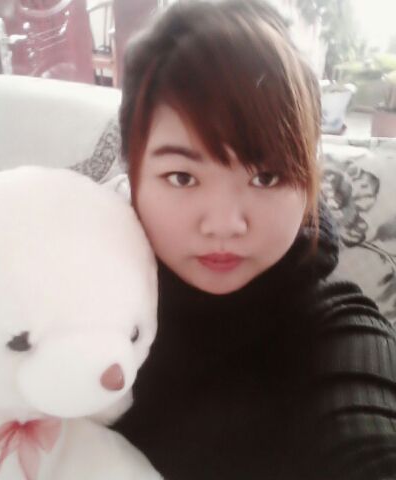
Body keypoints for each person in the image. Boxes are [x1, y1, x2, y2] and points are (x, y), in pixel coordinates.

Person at [111, 1, 396, 479]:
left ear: (308, 180)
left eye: (266, 177)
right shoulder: (80, 292)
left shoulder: (335, 324)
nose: (224, 224)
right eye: (182, 177)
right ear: (133, 172)